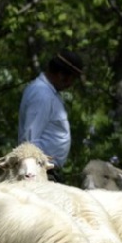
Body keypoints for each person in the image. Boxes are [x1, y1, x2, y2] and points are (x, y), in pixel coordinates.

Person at [17, 51, 85, 182]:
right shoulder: (42, 95)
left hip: (44, 172)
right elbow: (29, 141)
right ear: (61, 75)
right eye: (72, 79)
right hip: (38, 174)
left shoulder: (46, 92)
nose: (71, 85)